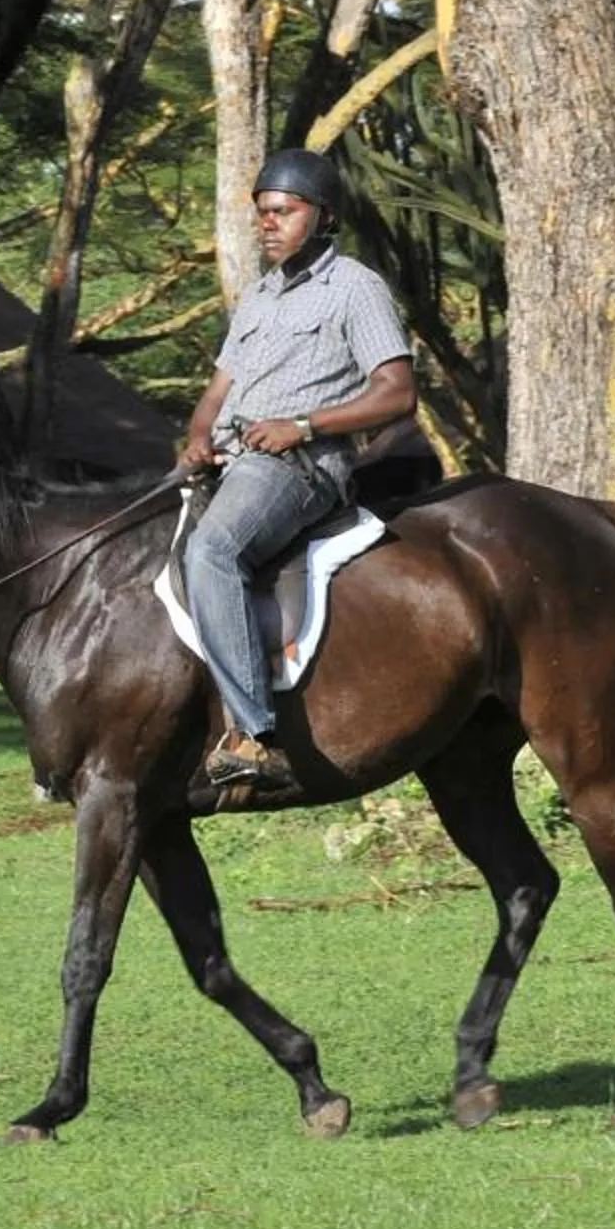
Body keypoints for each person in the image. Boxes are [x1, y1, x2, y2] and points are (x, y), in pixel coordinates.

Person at [178, 147, 418, 791]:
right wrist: (198, 438)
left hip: (300, 466)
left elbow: (397, 394)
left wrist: (303, 426)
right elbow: (217, 391)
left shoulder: (356, 288)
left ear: (324, 216)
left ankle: (255, 739)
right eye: (262, 212)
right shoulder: (257, 298)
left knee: (213, 551)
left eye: (284, 211)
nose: (269, 222)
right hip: (229, 462)